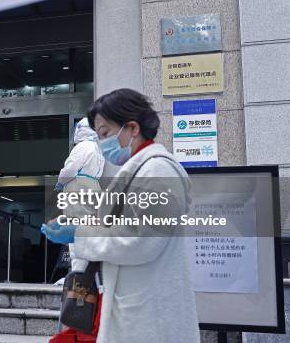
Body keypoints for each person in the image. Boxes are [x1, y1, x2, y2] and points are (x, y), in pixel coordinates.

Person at [42, 88, 200, 343]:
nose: (102, 142)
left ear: (132, 128)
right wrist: (75, 227)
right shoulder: (137, 172)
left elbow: (141, 239)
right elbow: (119, 227)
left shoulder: (158, 171)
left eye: (105, 133)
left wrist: (79, 233)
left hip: (149, 315)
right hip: (137, 308)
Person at [55, 118, 105, 273]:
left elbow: (70, 169)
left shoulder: (82, 147)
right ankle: (87, 276)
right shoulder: (96, 149)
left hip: (78, 192)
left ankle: (77, 276)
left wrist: (60, 181)